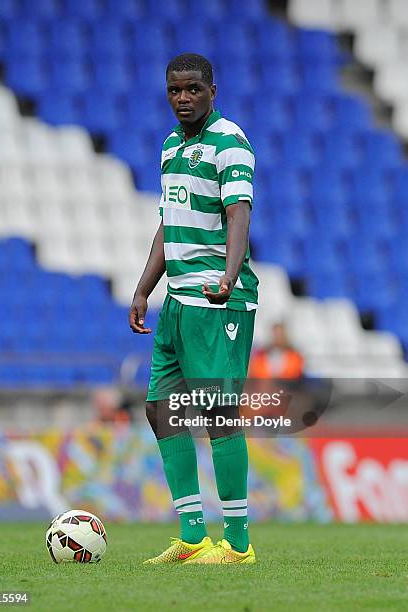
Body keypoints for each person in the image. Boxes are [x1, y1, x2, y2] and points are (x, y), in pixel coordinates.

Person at [129, 53, 259, 564]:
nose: (183, 98)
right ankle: (190, 535)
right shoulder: (169, 148)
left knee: (218, 414)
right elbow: (168, 223)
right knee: (160, 409)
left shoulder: (230, 141)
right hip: (177, 304)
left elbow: (238, 213)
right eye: (175, 91)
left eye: (193, 90)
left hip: (217, 301)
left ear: (212, 91)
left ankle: (239, 545)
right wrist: (143, 288)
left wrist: (228, 275)